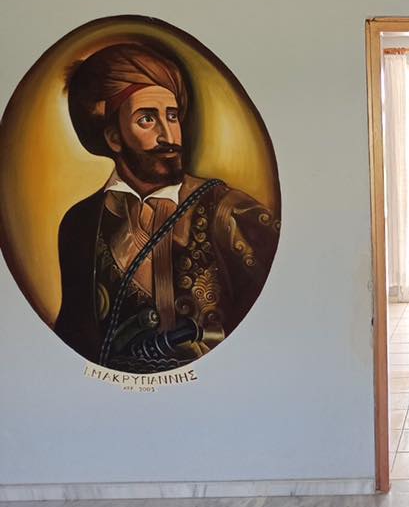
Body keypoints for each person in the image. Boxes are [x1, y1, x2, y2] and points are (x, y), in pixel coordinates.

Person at [54, 42, 280, 373]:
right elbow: (73, 339)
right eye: (147, 119)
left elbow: (276, 319)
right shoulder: (81, 224)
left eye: (172, 116)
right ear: (114, 137)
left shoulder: (229, 212)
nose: (169, 135)